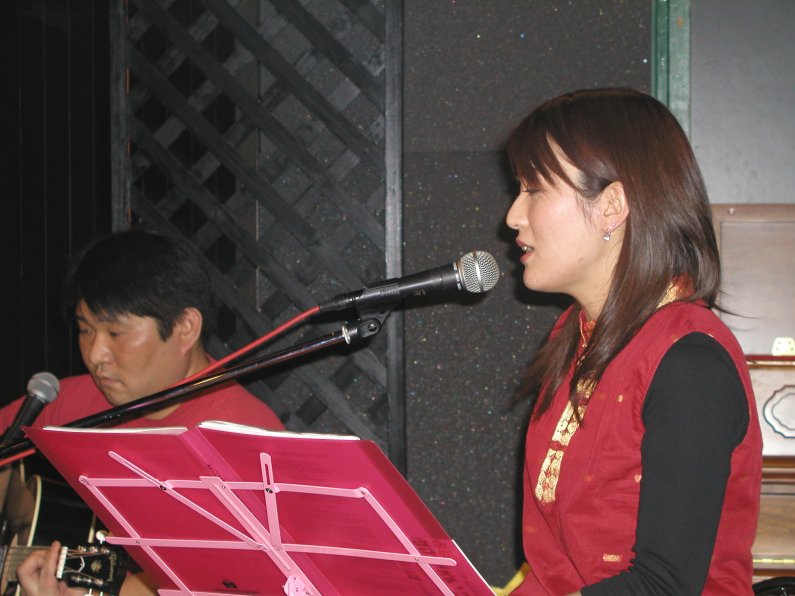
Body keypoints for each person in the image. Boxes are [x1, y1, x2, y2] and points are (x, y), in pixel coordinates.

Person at [503, 88, 762, 595]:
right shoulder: (575, 336)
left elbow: (663, 586)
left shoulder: (689, 362)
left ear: (612, 205)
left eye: (533, 190)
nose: (513, 216)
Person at [0, 229, 285, 595]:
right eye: (85, 330)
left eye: (116, 334)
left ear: (185, 327)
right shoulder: (75, 401)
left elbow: (229, 581)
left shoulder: (243, 440)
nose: (95, 355)